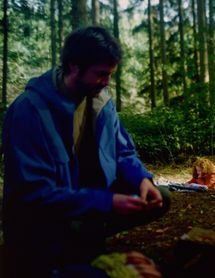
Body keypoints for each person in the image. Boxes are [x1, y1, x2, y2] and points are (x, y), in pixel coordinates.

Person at [2, 26, 170, 278]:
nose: (107, 82)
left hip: (84, 204)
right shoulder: (29, 111)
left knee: (160, 197)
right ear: (73, 67)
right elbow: (35, 194)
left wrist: (142, 180)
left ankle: (85, 241)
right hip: (40, 222)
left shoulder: (101, 100)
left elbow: (123, 151)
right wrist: (108, 202)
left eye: (110, 75)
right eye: (101, 74)